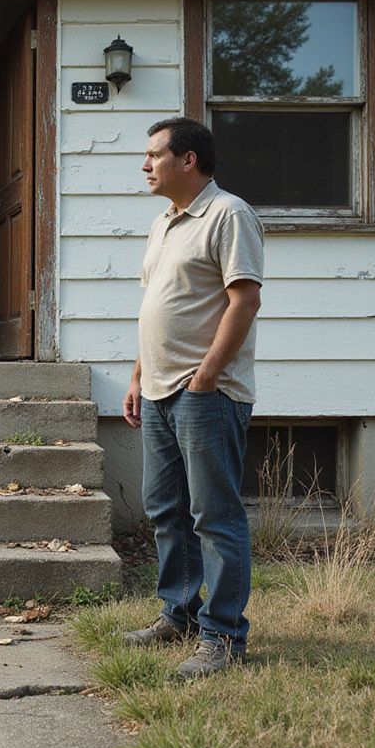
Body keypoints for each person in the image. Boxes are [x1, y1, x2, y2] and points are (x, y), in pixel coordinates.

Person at [121, 116, 264, 678]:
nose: (145, 164)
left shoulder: (228, 214)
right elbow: (156, 306)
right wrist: (137, 377)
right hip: (157, 392)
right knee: (166, 511)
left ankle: (223, 638)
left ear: (189, 160)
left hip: (206, 393)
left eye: (154, 154)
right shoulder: (163, 224)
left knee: (214, 516)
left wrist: (204, 378)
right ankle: (178, 613)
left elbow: (244, 301)